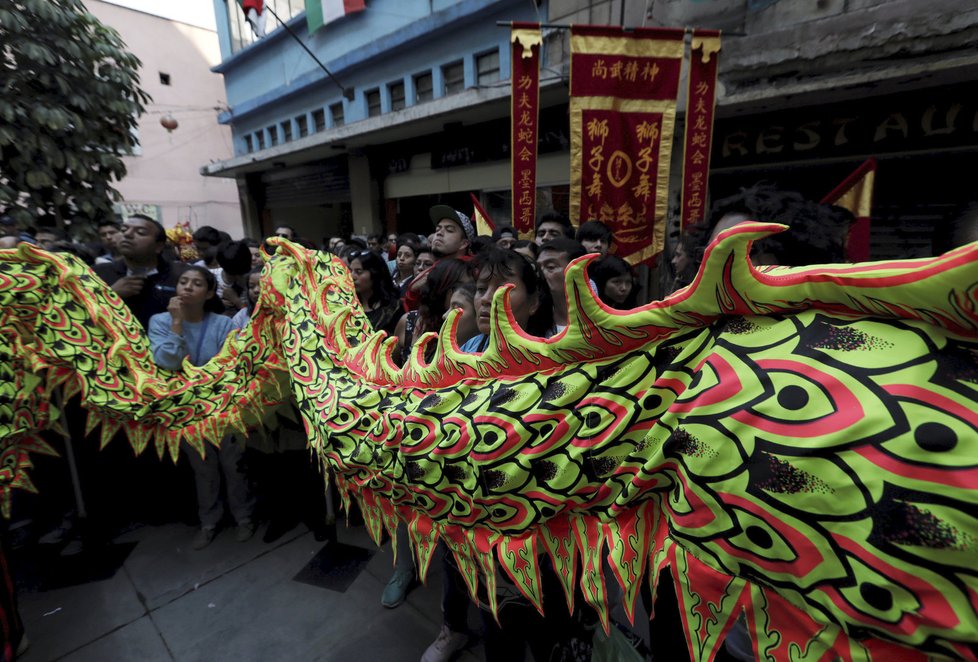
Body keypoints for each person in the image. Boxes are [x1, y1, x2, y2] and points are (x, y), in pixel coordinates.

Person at [148, 266, 256, 549]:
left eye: (196, 284)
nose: (187, 288)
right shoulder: (160, 322)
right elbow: (167, 363)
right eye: (183, 282)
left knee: (233, 465)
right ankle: (209, 522)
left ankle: (244, 517)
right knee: (202, 468)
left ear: (209, 293)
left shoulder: (223, 324)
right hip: (185, 410)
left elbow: (229, 367)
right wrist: (176, 325)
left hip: (222, 407)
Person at [94, 214, 187, 330]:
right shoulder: (96, 274)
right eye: (123, 230)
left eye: (141, 232)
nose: (127, 234)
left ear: (158, 246)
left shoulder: (183, 276)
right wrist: (111, 295)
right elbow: (76, 316)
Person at [536, 237, 586, 337]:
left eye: (550, 267)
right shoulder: (532, 322)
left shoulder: (600, 324)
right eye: (538, 268)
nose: (540, 274)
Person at [351, 250, 401, 335]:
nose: (352, 276)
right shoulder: (347, 303)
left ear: (375, 274)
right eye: (350, 270)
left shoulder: (393, 308)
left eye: (359, 272)